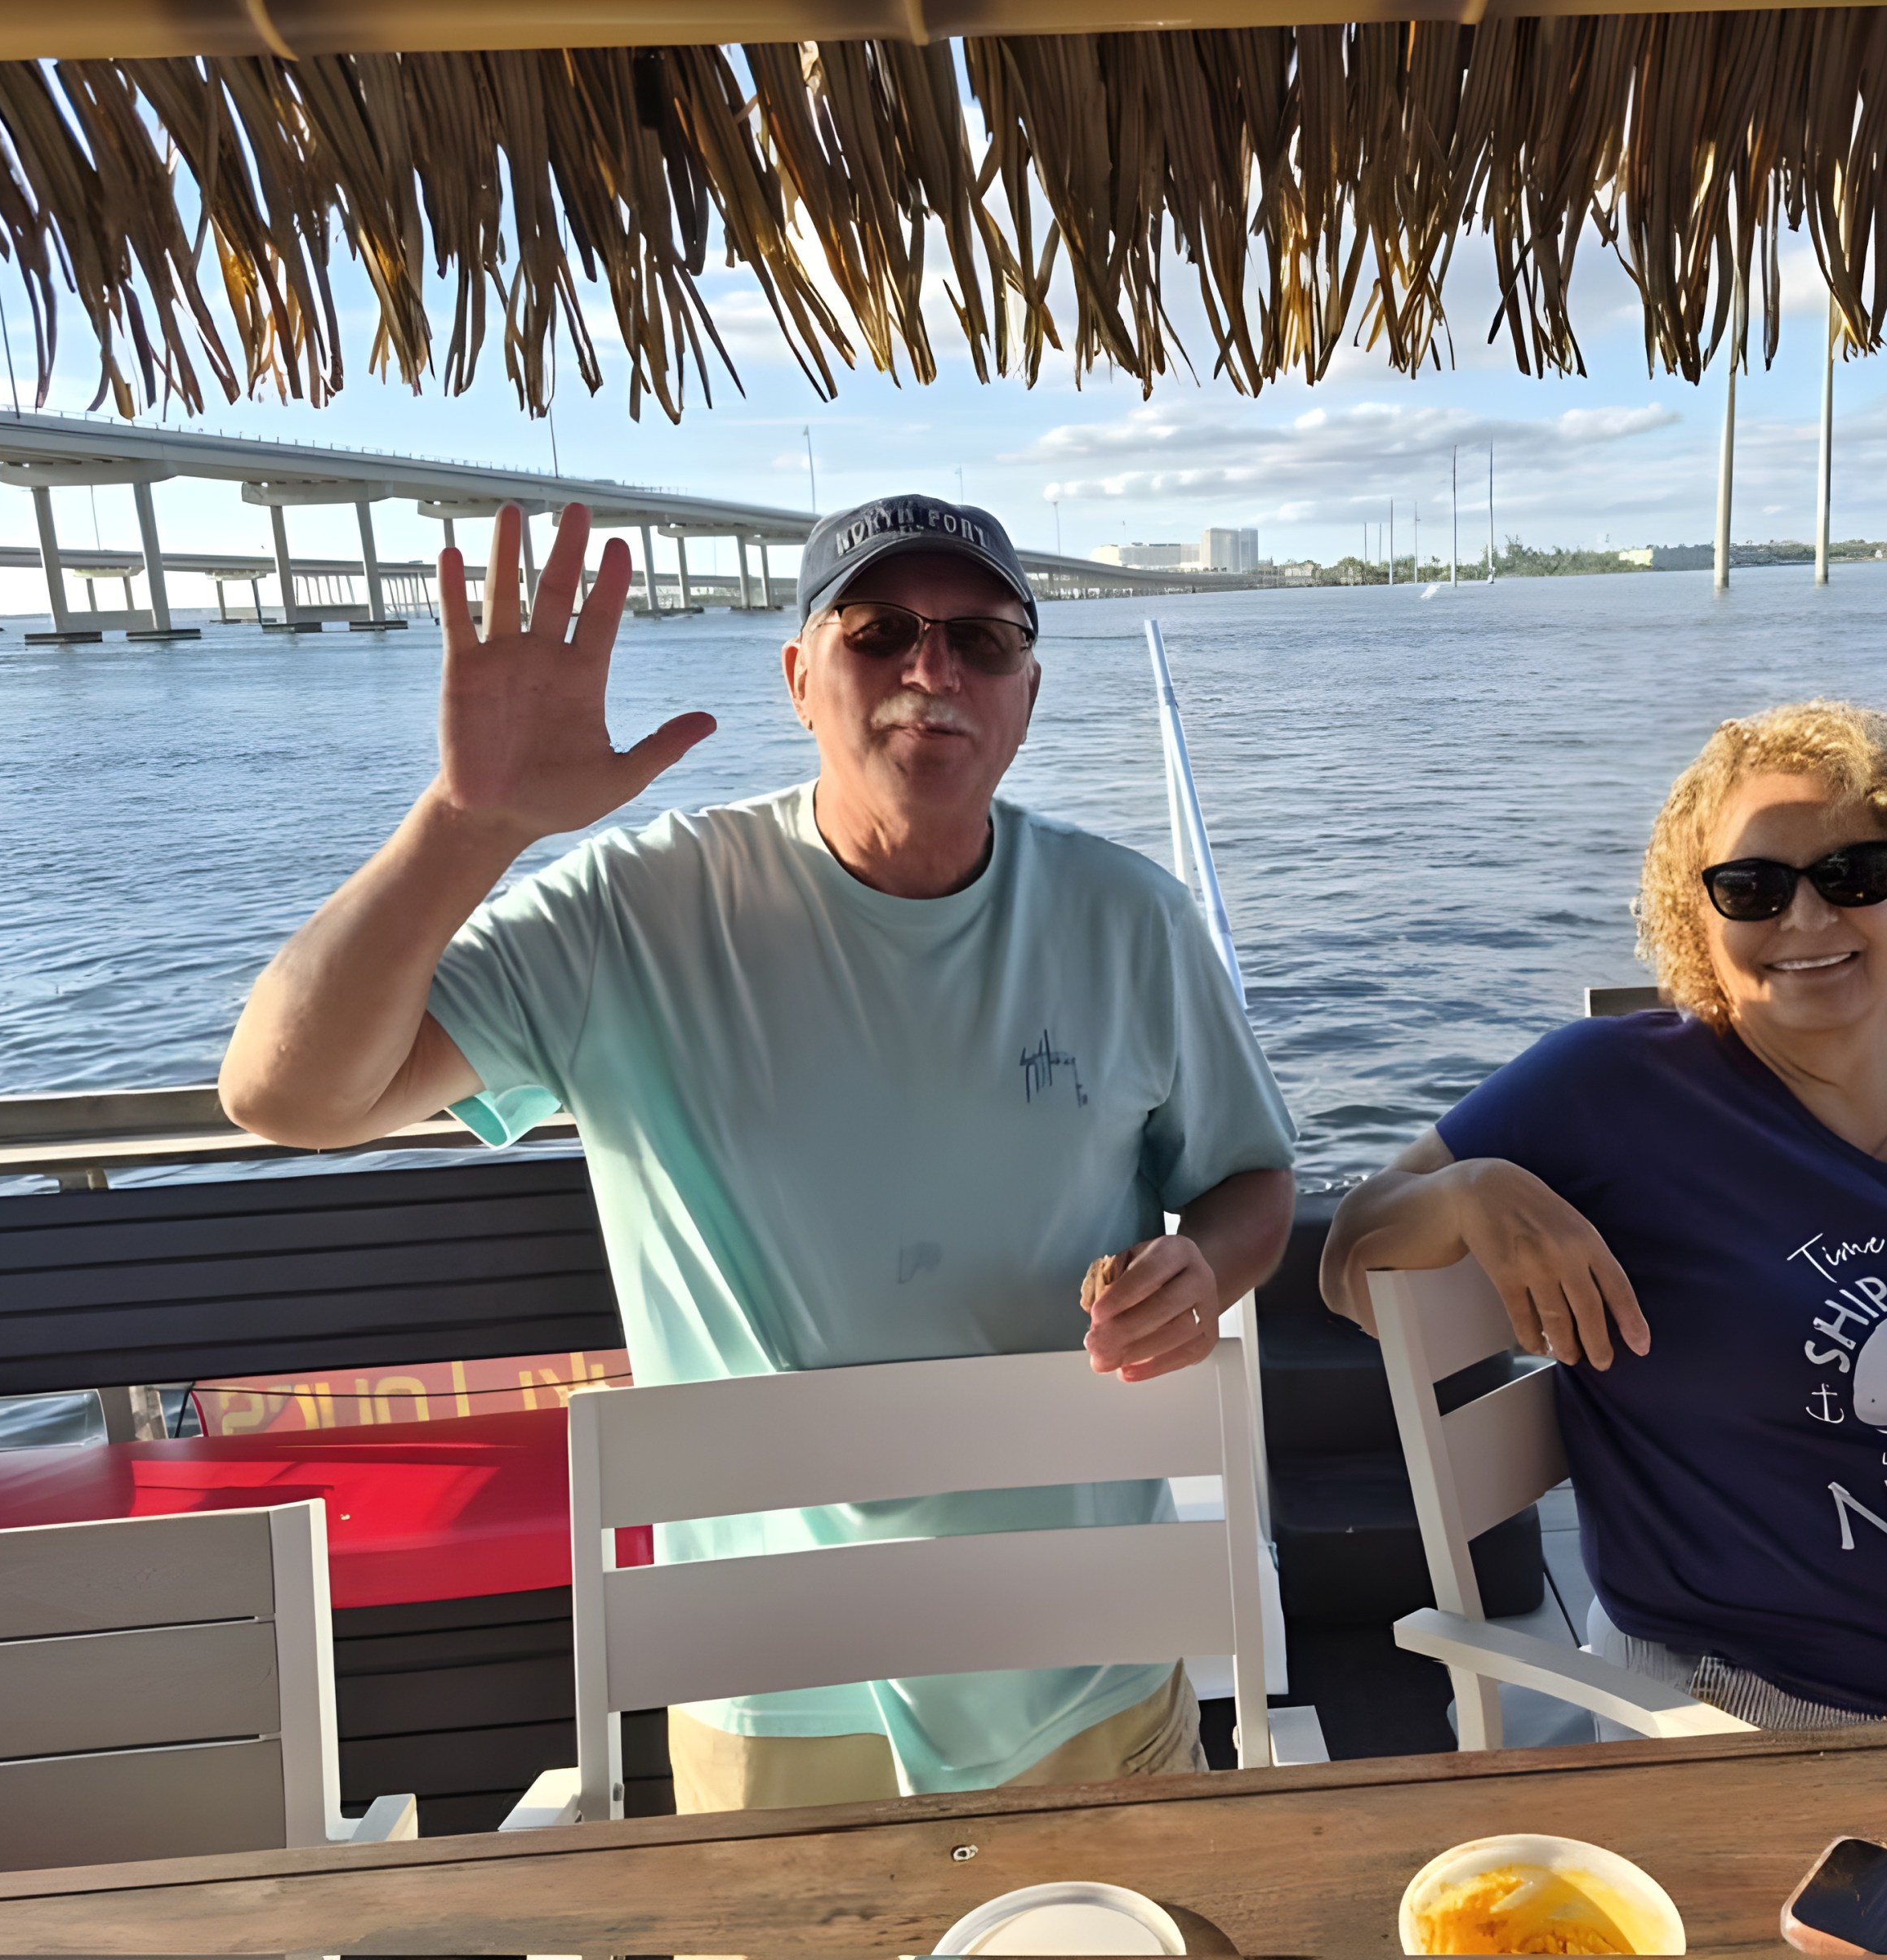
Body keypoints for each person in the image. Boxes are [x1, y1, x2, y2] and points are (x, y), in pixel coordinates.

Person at [221, 493, 1295, 1805]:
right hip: (772, 1682)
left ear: (1027, 693)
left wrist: (1204, 1272)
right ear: (797, 677)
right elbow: (287, 1095)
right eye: (878, 630)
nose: (932, 669)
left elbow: (1250, 1182)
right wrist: (468, 824)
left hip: (1087, 1658)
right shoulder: (633, 914)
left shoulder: (1133, 919)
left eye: (983, 640)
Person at [1318, 700, 1887, 1729]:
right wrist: (1468, 1191)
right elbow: (1348, 1261)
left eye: (1854, 874)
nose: (1808, 920)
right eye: (1751, 888)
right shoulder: (1610, 1091)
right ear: (1696, 916)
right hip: (1782, 1708)